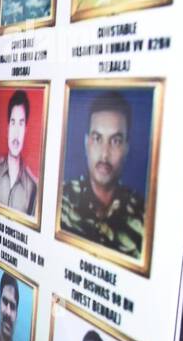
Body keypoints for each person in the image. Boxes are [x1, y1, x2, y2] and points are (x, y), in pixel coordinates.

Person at [60, 91, 145, 258]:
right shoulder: (61, 201)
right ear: (86, 143)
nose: (105, 154)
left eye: (115, 141)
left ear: (127, 148)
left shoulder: (144, 216)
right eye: (97, 138)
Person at [0, 89, 38, 214]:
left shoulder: (33, 187)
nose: (16, 133)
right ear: (7, 127)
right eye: (13, 122)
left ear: (26, 129)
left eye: (21, 124)